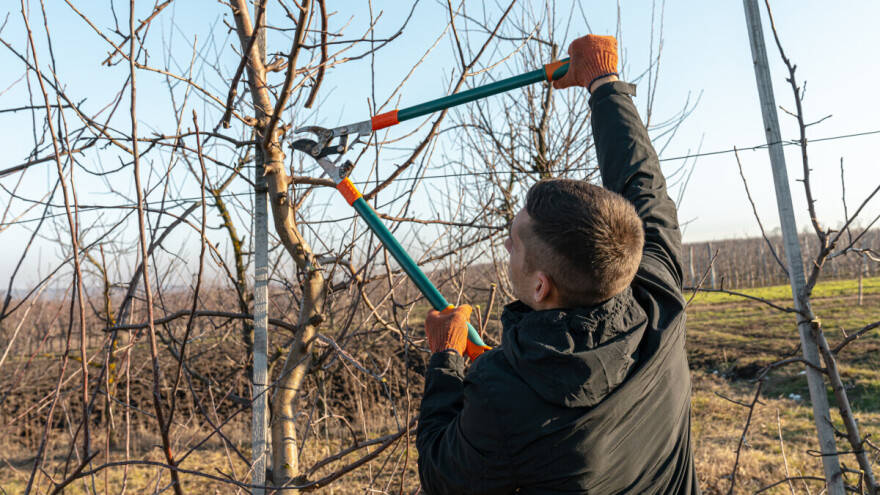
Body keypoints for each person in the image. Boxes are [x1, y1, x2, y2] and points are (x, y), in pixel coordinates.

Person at [415, 35, 700, 494]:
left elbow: (441, 474)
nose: (506, 249)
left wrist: (445, 361)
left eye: (513, 244)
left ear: (541, 286)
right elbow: (642, 186)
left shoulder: (500, 395)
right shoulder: (659, 300)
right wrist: (605, 84)